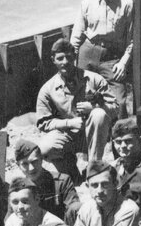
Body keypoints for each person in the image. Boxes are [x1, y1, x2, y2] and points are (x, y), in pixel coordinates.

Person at [35, 36, 116, 176]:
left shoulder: (94, 79)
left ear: (75, 57)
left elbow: (115, 107)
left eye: (69, 57)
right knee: (44, 147)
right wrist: (69, 123)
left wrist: (94, 108)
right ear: (53, 60)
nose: (65, 62)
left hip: (94, 135)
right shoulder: (48, 89)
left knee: (98, 114)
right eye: (60, 58)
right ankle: (72, 175)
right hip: (68, 135)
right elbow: (43, 123)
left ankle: (94, 170)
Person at [69, 0, 135, 119]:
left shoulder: (126, 4)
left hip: (112, 58)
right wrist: (73, 63)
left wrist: (123, 62)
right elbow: (76, 36)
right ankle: (85, 140)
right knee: (81, 99)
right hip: (88, 53)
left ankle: (118, 141)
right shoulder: (86, 4)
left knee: (118, 102)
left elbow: (132, 39)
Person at [7, 137, 79, 223]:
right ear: (18, 165)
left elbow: (74, 209)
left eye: (34, 161)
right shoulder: (18, 188)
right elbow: (10, 219)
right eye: (25, 164)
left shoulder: (62, 181)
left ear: (41, 159)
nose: (31, 168)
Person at [108, 116, 141, 208]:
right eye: (118, 142)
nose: (123, 146)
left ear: (139, 140)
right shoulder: (113, 167)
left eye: (128, 141)